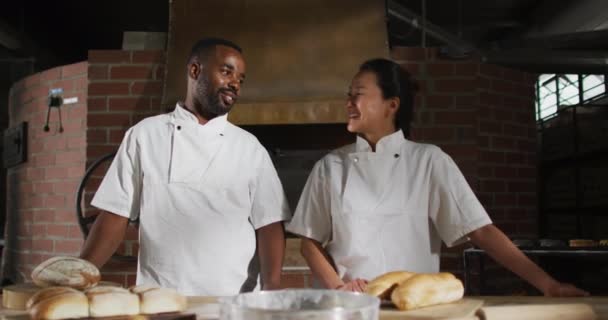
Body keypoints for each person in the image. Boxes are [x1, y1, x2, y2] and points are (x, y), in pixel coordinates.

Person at [286, 58, 588, 297]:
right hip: (352, 310)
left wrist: (547, 285)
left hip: (413, 308)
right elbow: (309, 241)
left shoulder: (429, 161)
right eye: (348, 96)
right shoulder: (330, 166)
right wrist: (339, 288)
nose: (349, 103)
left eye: (359, 95)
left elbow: (482, 231)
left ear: (392, 104)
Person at [80, 38, 291, 296]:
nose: (235, 83)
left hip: (233, 303)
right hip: (161, 299)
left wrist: (272, 291)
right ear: (195, 70)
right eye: (226, 72)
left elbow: (269, 224)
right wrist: (79, 279)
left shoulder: (250, 148)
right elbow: (115, 214)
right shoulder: (145, 135)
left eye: (240, 79)